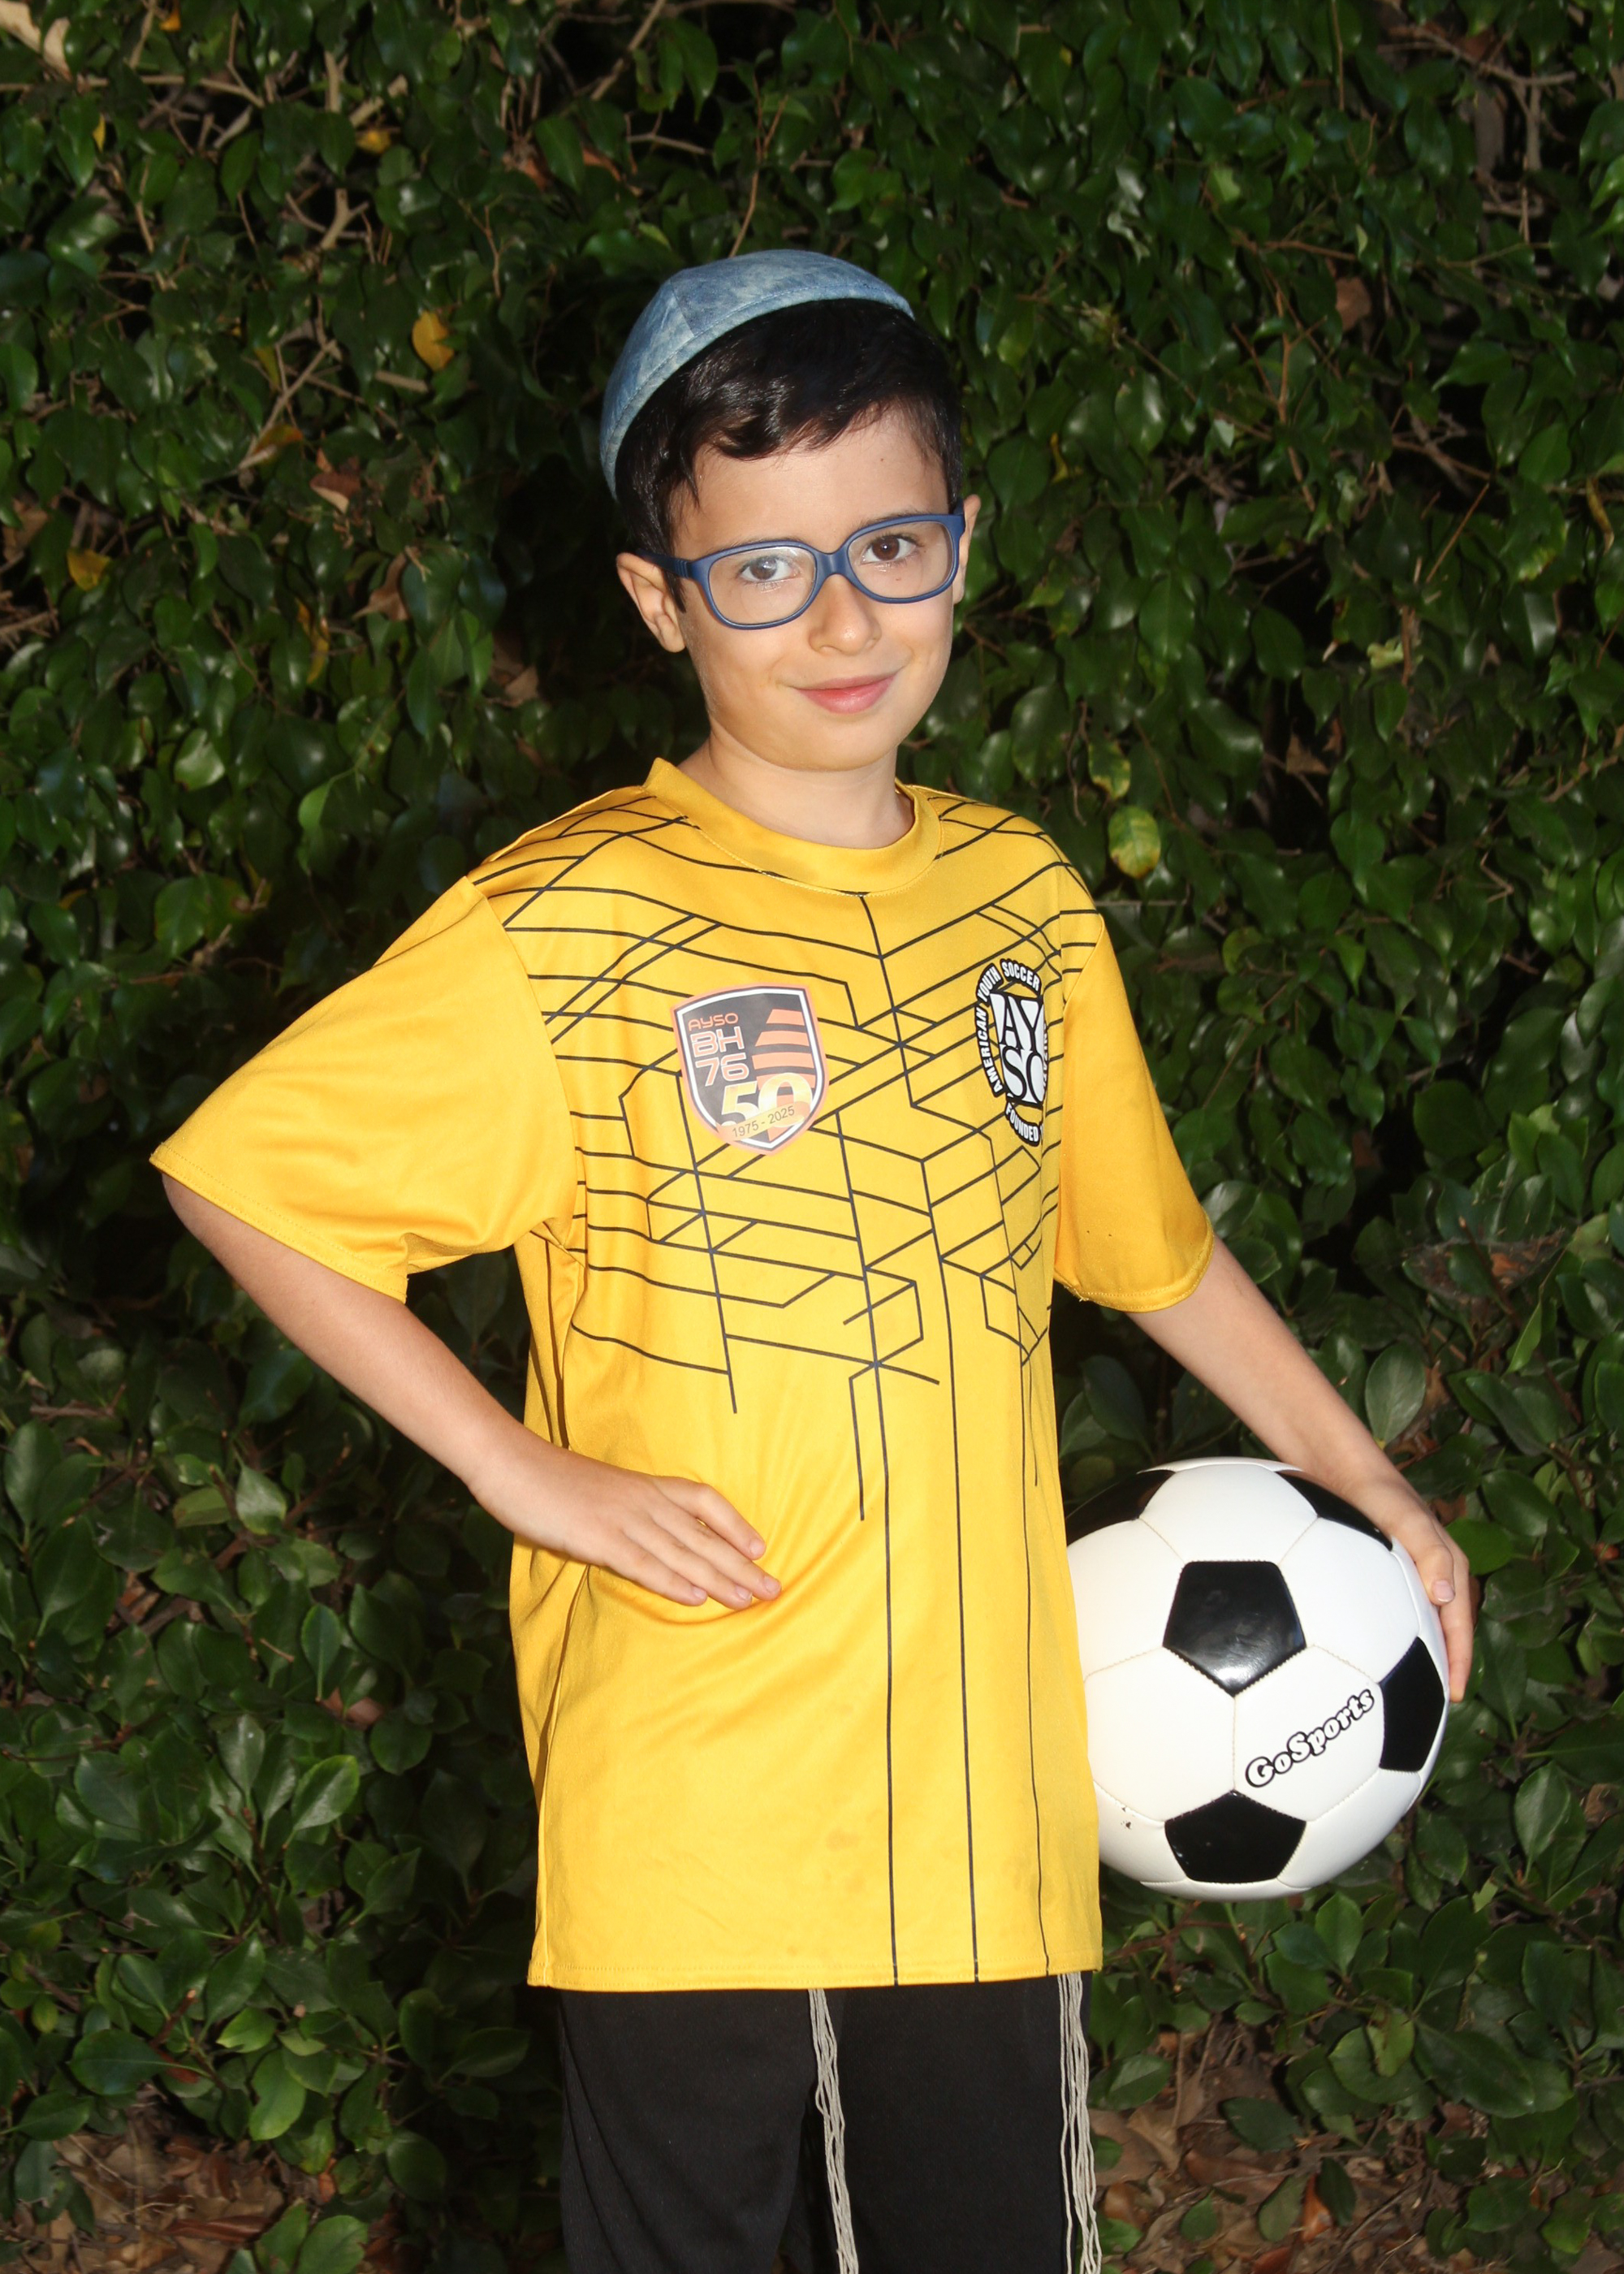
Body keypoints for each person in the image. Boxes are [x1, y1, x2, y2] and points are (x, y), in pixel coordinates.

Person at [155, 250, 1473, 2274]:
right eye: (763, 568)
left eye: (889, 545)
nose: (842, 618)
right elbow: (247, 1181)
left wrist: (1366, 1476)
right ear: (657, 599)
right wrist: (523, 1467)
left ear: (965, 542)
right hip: (698, 1814)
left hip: (984, 1824)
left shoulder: (1025, 902)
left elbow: (1153, 1254)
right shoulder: (570, 916)